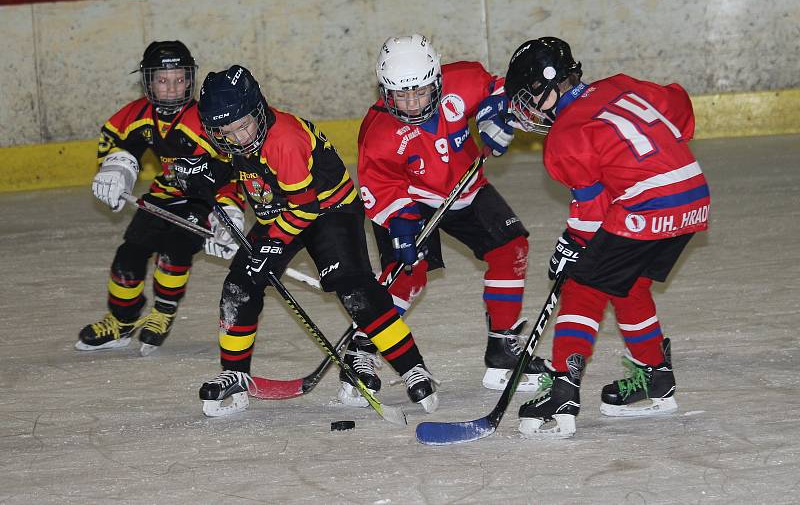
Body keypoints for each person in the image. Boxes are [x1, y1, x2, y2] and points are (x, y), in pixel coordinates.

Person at [176, 64, 438, 416]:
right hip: (279, 212)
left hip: (329, 210)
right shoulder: (227, 134)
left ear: (259, 109)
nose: (239, 138)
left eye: (243, 126)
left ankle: (411, 367)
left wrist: (271, 245)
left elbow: (304, 207)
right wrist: (223, 212)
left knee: (354, 288)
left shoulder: (284, 139)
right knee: (239, 284)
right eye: (226, 132)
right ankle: (234, 372)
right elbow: (233, 178)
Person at [502, 37, 711, 438]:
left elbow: (593, 213)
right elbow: (681, 110)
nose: (526, 107)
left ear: (549, 83)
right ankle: (656, 378)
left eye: (529, 95)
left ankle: (563, 389)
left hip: (648, 206)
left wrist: (573, 244)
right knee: (627, 282)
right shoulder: (620, 83)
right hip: (694, 197)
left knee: (584, 284)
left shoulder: (564, 136)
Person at [342, 33, 547, 408]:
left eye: (420, 93)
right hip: (412, 199)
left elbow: (502, 90)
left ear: (437, 81)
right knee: (409, 274)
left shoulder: (463, 80)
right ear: (385, 92)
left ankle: (502, 348)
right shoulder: (379, 134)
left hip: (465, 186)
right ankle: (363, 346)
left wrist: (495, 114)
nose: (411, 104)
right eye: (401, 96)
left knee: (510, 247)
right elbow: (381, 187)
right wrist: (402, 228)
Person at [76, 41, 245, 357]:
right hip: (163, 196)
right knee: (127, 259)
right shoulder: (136, 115)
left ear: (190, 80)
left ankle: (163, 313)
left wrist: (228, 214)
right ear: (149, 81)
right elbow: (119, 145)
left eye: (179, 79)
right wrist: (116, 171)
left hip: (201, 202)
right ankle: (121, 321)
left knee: (173, 254)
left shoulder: (207, 120)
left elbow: (233, 170)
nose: (171, 88)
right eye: (163, 80)